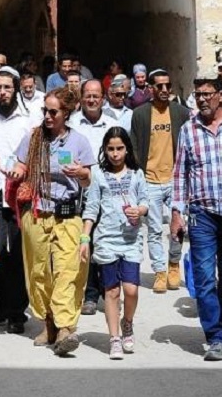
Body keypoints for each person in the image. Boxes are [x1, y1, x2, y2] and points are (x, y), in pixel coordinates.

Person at [6, 87, 95, 356]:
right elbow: (21, 165)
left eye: (53, 112)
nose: (47, 116)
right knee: (38, 271)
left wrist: (80, 172)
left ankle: (66, 326)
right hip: (37, 213)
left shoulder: (79, 141)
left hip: (67, 215)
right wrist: (16, 171)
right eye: (45, 110)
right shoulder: (34, 138)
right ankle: (48, 324)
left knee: (68, 270)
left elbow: (88, 181)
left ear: (66, 113)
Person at [171, 77, 222, 361]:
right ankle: (215, 336)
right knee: (204, 278)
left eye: (207, 94)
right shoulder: (188, 130)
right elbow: (180, 173)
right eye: (198, 95)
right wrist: (176, 212)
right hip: (202, 213)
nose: (202, 99)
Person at [0, 69, 39, 333]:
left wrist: (24, 169)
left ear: (15, 90)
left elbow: (37, 151)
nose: (2, 93)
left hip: (21, 194)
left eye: (7, 88)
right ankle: (0, 299)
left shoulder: (28, 119)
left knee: (19, 254)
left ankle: (17, 311)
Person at [81, 127, 148, 359]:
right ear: (104, 150)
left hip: (131, 240)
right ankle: (114, 339)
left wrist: (139, 210)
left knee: (131, 290)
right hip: (106, 240)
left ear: (127, 149)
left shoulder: (137, 174)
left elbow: (145, 201)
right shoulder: (98, 174)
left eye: (120, 148)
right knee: (111, 291)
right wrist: (84, 238)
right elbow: (91, 208)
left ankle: (127, 323)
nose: (115, 154)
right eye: (110, 149)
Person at [130, 69, 191, 293]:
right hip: (150, 180)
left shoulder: (181, 113)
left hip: (175, 180)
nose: (164, 90)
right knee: (154, 229)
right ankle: (159, 271)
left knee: (178, 226)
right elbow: (134, 146)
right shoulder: (140, 114)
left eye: (167, 85)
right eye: (159, 86)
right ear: (151, 88)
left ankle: (174, 264)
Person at [68, 79, 120, 315]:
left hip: (106, 192)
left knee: (106, 242)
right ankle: (89, 294)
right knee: (85, 241)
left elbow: (120, 157)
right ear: (81, 98)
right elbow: (64, 154)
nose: (91, 100)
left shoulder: (112, 124)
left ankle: (108, 290)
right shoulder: (71, 124)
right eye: (87, 95)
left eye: (95, 96)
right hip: (79, 192)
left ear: (103, 98)